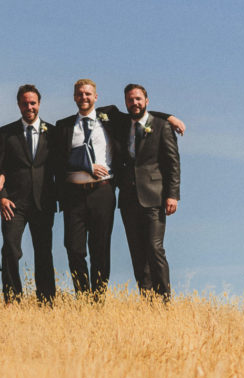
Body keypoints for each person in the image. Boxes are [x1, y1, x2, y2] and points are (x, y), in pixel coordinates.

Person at [53, 79, 182, 298]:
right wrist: (84, 164)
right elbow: (57, 159)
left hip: (103, 193)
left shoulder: (110, 118)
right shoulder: (63, 125)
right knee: (74, 249)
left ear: (96, 97)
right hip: (74, 195)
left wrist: (169, 117)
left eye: (88, 94)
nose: (84, 98)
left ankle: (98, 298)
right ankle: (83, 297)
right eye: (79, 94)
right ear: (74, 97)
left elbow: (140, 112)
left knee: (101, 249)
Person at [0, 84, 56, 304]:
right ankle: (12, 299)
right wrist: (2, 198)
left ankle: (46, 301)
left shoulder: (52, 133)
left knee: (44, 252)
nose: (29, 107)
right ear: (18, 105)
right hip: (13, 203)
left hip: (43, 202)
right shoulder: (6, 133)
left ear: (39, 104)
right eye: (25, 103)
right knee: (10, 248)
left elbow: (60, 169)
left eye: (33, 103)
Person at [115, 83, 180, 300]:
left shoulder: (161, 126)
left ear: (147, 101)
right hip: (128, 199)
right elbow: (102, 111)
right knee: (137, 252)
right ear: (125, 102)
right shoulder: (121, 123)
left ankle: (164, 298)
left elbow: (173, 163)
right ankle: (148, 300)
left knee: (154, 248)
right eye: (130, 100)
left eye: (138, 99)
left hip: (155, 197)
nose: (134, 103)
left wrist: (173, 195)